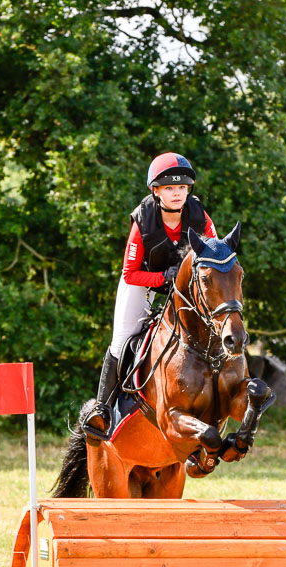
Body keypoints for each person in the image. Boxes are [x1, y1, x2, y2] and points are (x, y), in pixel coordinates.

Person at [83, 152, 217, 440]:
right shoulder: (143, 219)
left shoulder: (198, 215)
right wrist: (161, 277)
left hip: (182, 286)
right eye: (169, 188)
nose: (177, 193)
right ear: (155, 191)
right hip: (143, 282)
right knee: (121, 340)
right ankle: (102, 410)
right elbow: (130, 273)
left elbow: (214, 256)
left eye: (182, 187)